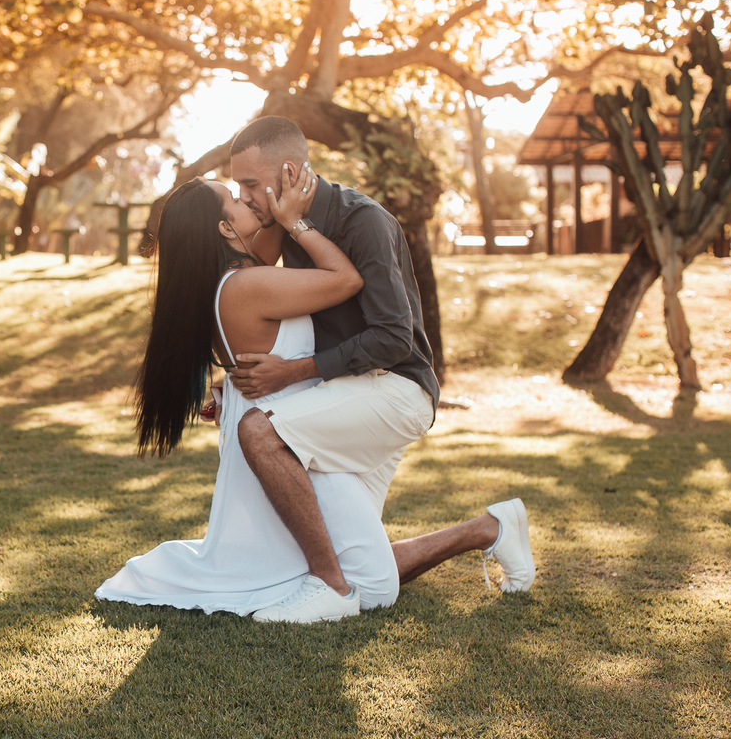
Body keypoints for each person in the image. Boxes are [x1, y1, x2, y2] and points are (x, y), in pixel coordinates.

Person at [225, 116, 534, 623]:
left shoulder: (362, 221)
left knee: (260, 435)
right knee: (365, 573)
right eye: (238, 187)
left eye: (251, 185)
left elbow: (393, 338)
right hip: (347, 396)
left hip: (396, 391)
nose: (246, 196)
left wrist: (292, 373)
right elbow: (262, 300)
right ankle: (491, 528)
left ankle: (328, 589)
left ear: (288, 172)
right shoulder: (283, 228)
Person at [96, 166, 405, 615]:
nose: (249, 202)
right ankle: (475, 533)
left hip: (294, 433)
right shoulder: (248, 286)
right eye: (236, 201)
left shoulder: (236, 276)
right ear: (225, 228)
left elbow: (267, 235)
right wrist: (295, 220)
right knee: (373, 587)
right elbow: (346, 279)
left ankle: (482, 531)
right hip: (287, 442)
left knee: (361, 571)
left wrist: (274, 205)